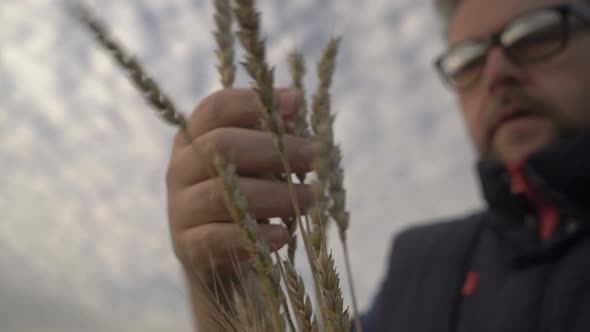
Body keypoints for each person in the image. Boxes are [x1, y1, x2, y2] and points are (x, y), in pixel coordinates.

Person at [165, 0, 590, 330]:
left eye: (535, 34)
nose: (497, 72)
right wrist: (221, 287)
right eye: (468, 61)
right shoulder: (420, 263)